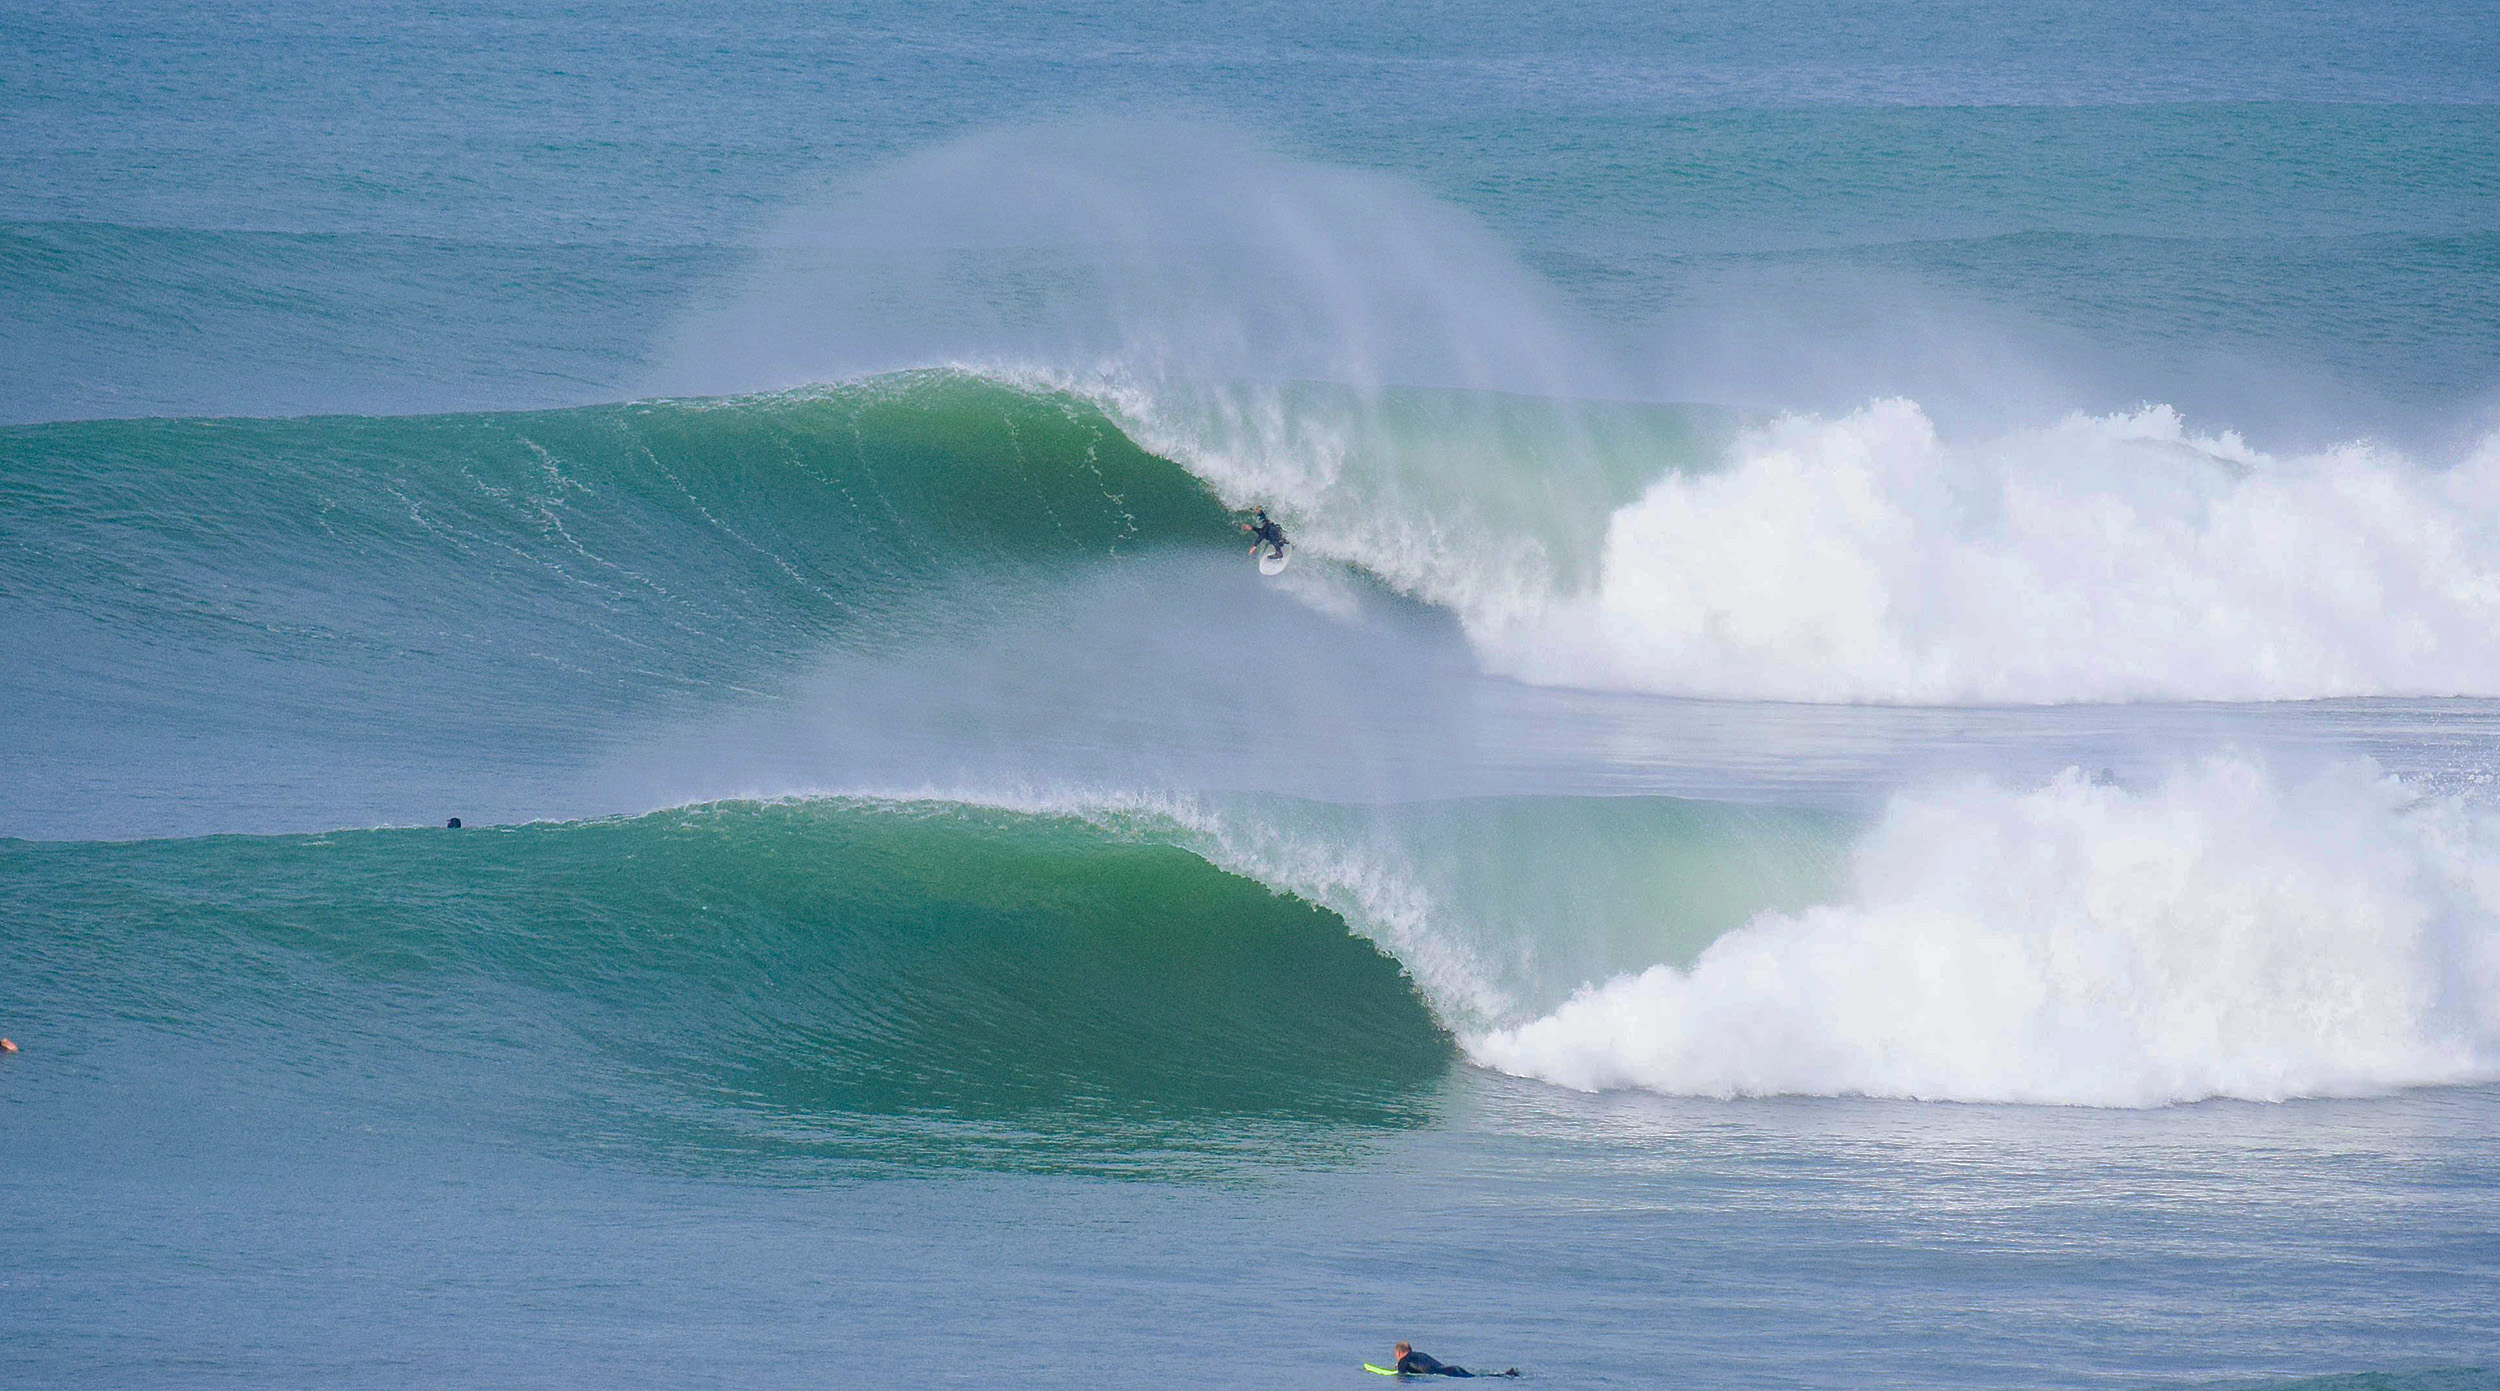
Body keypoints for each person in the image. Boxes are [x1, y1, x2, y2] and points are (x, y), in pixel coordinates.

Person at [1393, 1342, 1518, 1377]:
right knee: (1478, 1376)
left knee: (1477, 1377)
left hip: (1447, 1373)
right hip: (1452, 1368)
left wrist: (1399, 1368)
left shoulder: (1405, 1361)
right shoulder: (1421, 1354)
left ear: (1399, 1353)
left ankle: (1505, 1375)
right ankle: (1505, 1374)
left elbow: (1402, 1377)